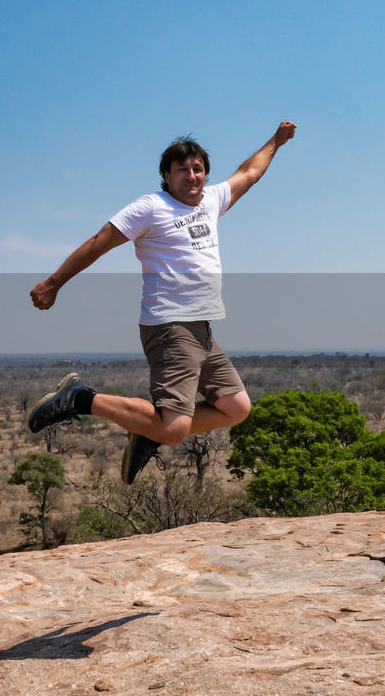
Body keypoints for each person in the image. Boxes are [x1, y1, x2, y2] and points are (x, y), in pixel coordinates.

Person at [27, 121, 297, 484]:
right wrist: (54, 282)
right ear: (166, 175)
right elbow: (99, 242)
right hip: (170, 325)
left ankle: (146, 430)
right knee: (173, 429)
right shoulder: (151, 207)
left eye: (198, 168)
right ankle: (79, 398)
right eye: (182, 169)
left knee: (236, 407)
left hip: (201, 329)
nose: (192, 175)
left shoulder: (213, 201)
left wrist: (276, 141)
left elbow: (249, 172)